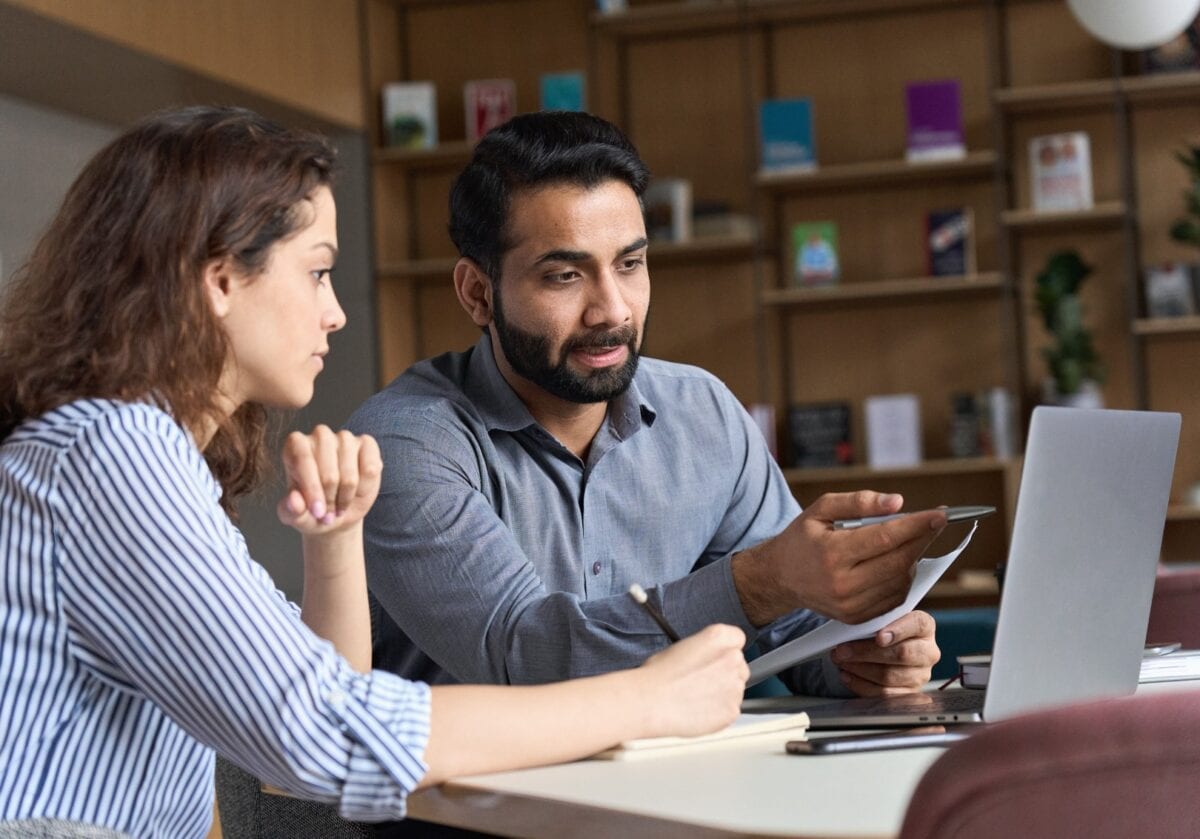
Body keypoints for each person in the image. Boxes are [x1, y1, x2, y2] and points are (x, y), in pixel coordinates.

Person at [0, 106, 751, 838]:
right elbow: (328, 739)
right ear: (221, 280)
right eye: (318, 272)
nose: (336, 313)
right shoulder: (114, 451)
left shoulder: (130, 454)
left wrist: (334, 541)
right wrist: (645, 699)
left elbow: (315, 714)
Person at [348, 111, 946, 699]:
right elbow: (522, 656)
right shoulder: (404, 443)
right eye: (564, 275)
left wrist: (865, 655)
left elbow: (799, 633)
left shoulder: (703, 414)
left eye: (629, 264)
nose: (613, 310)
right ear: (479, 294)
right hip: (460, 795)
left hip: (670, 784)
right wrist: (759, 583)